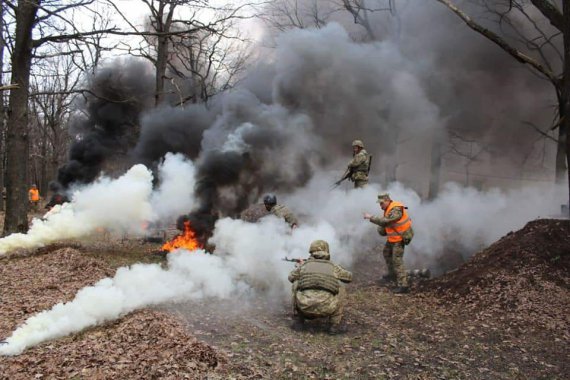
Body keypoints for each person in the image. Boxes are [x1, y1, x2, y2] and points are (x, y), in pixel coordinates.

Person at [288, 240, 352, 334]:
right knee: (341, 287)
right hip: (327, 308)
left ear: (311, 252)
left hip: (305, 306)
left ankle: (299, 321)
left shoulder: (305, 266)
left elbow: (291, 277)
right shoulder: (333, 267)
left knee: (296, 283)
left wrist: (301, 266)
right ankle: (334, 325)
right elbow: (349, 277)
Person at [363, 193, 414, 294]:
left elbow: (386, 221)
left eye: (382, 203)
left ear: (387, 200)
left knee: (397, 260)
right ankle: (392, 275)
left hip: (399, 239)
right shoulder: (388, 209)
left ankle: (403, 285)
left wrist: (370, 217)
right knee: (386, 253)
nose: (380, 206)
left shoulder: (396, 209)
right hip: (393, 238)